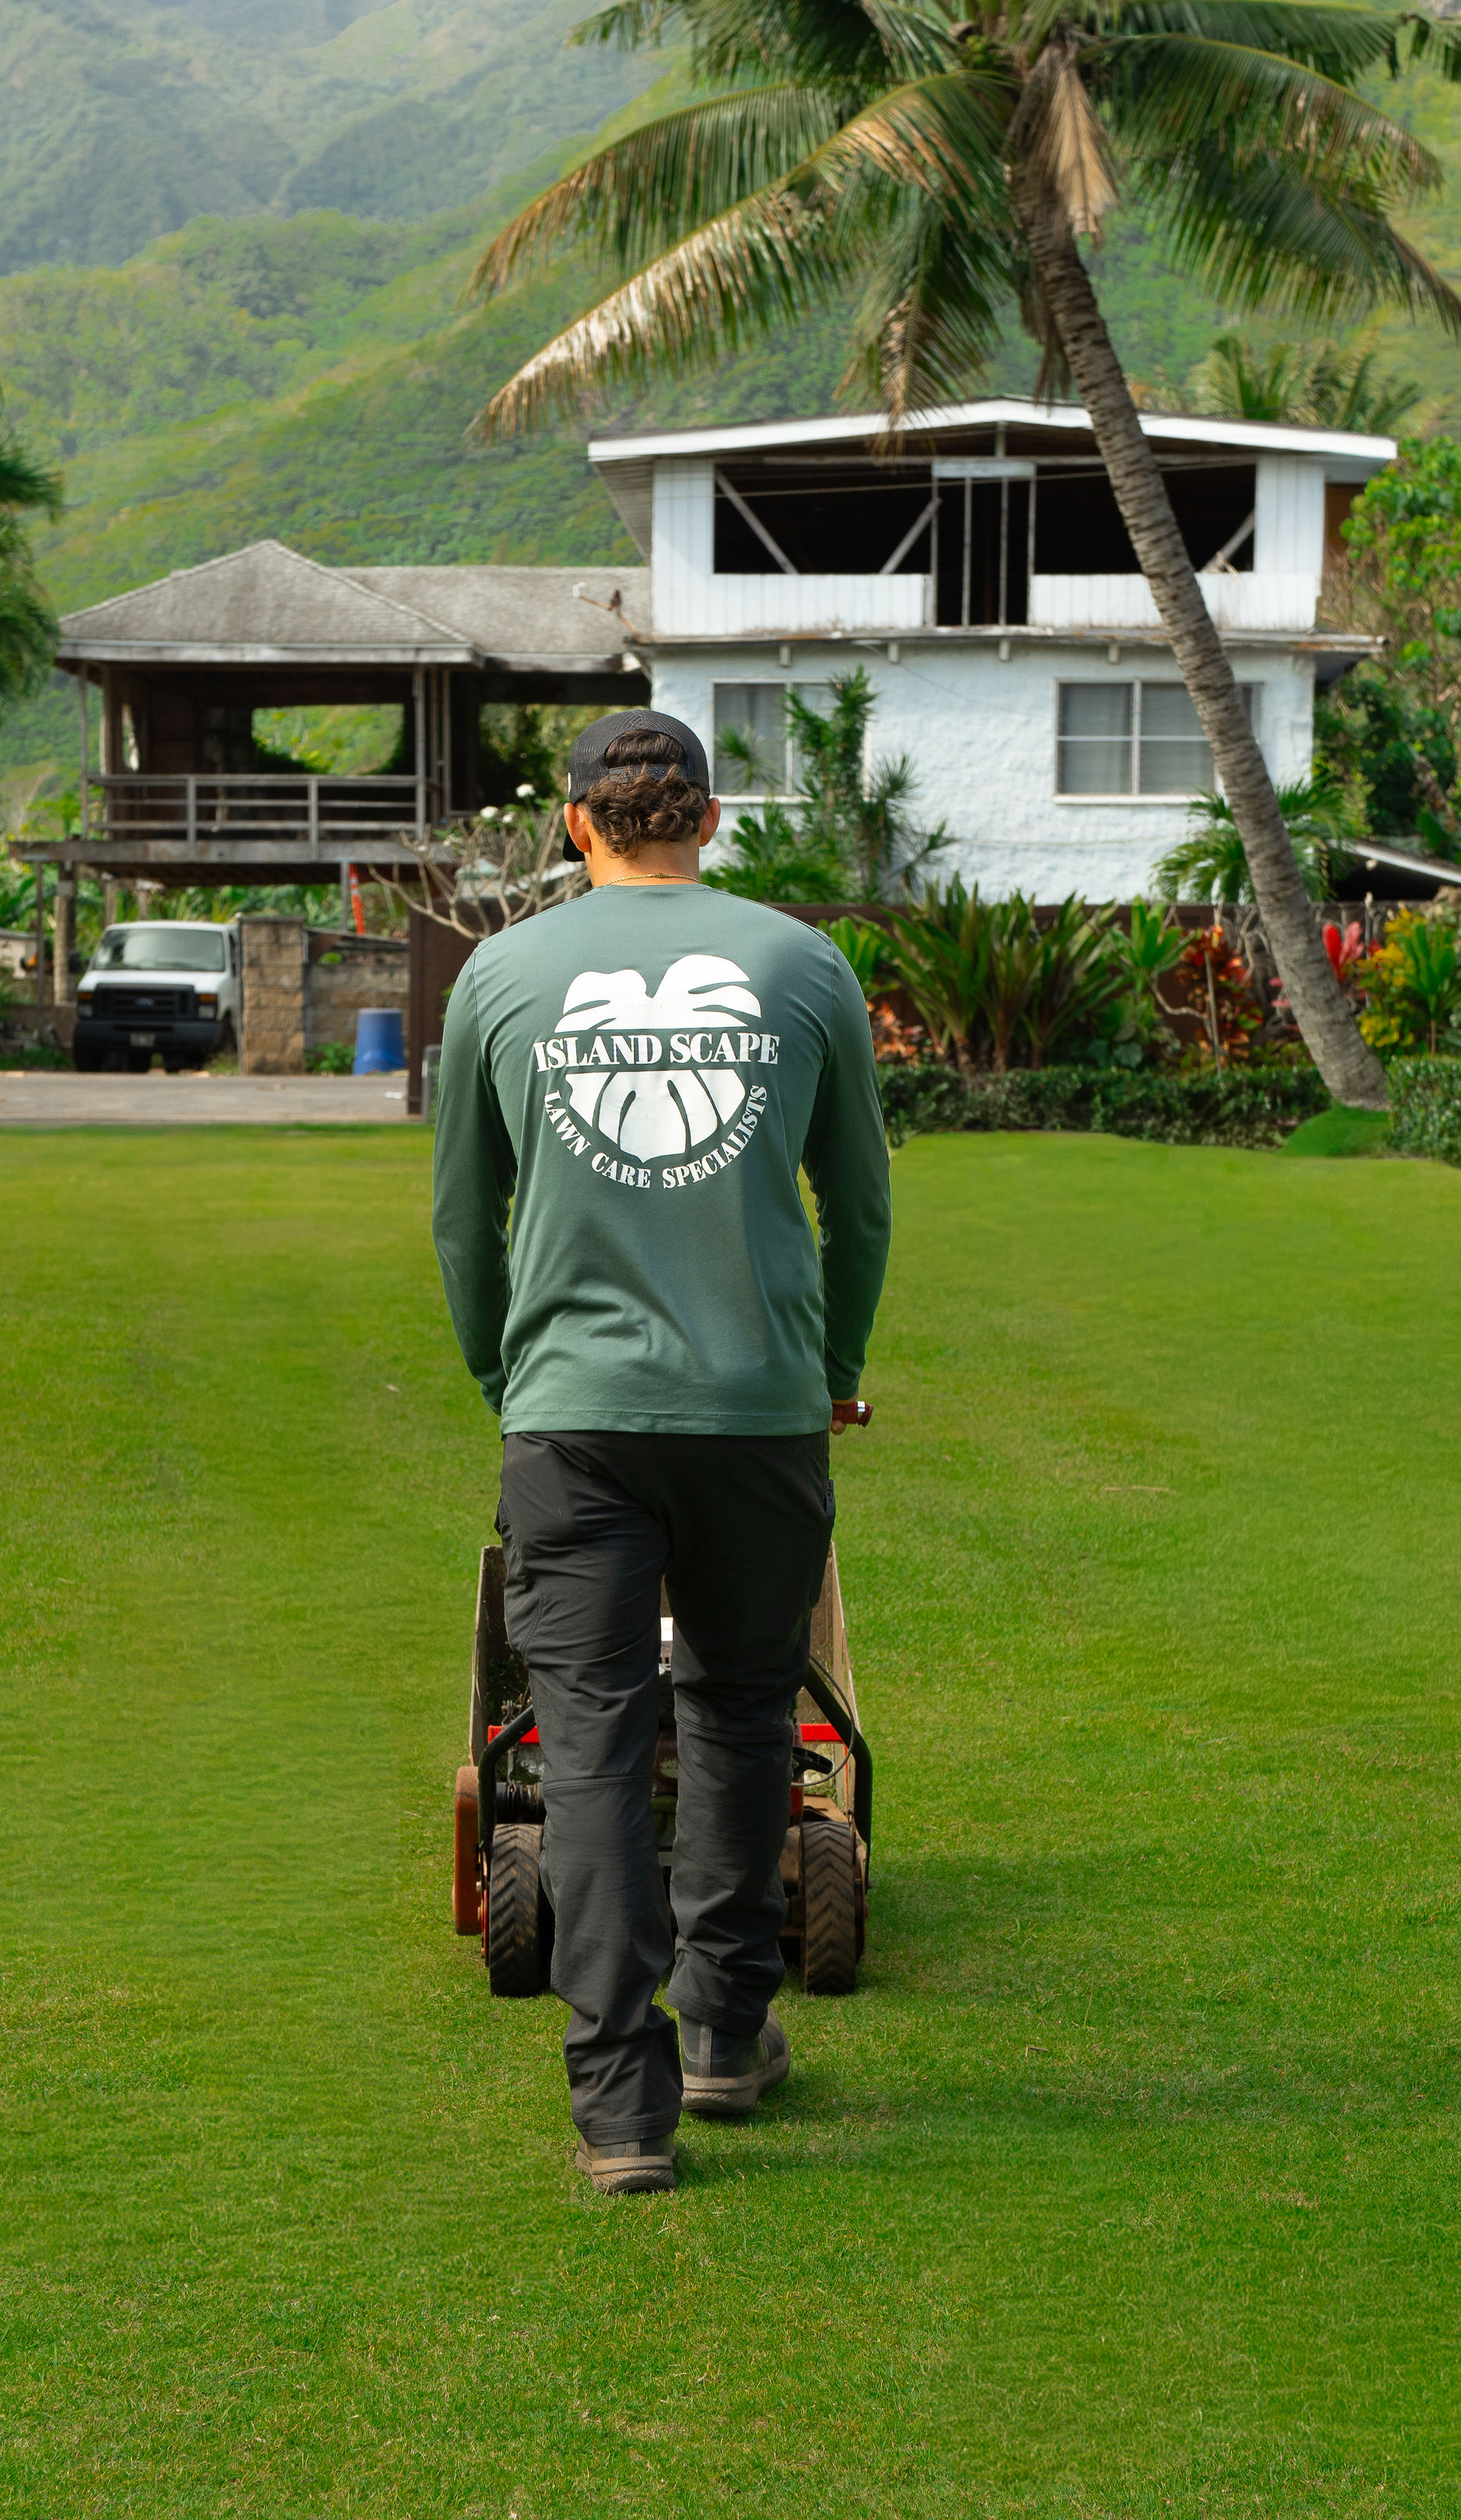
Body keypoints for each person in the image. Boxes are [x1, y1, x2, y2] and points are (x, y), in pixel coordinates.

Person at [431, 712, 892, 2195]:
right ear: (711, 821)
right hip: (759, 1411)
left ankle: (621, 2117)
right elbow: (859, 1207)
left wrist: (511, 1375)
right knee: (750, 1716)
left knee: (592, 1748)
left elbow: (462, 1220)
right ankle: (722, 2038)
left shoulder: (501, 973)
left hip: (569, 1424)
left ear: (575, 827)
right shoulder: (802, 963)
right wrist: (830, 1374)